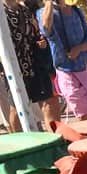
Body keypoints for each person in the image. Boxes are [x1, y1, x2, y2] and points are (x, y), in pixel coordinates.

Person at [38, 0, 87, 119]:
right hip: (67, 72)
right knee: (83, 115)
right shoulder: (42, 13)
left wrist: (80, 48)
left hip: (86, 68)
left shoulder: (76, 10)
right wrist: (49, 4)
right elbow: (46, 29)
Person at [3, 0, 59, 129]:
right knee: (17, 107)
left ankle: (54, 140)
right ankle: (18, 143)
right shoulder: (2, 12)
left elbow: (35, 34)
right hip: (14, 66)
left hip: (35, 63)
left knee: (48, 101)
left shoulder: (25, 10)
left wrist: (41, 42)